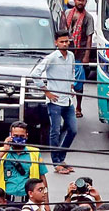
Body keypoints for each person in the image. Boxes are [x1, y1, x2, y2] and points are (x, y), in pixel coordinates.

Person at [30, 31, 77, 174]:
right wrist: (46, 92)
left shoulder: (71, 56)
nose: (65, 44)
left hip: (68, 100)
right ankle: (56, 162)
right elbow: (35, 74)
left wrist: (71, 86)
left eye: (67, 41)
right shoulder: (51, 58)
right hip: (55, 101)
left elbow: (72, 71)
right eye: (62, 42)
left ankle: (61, 158)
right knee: (55, 131)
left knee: (72, 130)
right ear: (56, 43)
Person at [0, 121, 48, 201]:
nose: (19, 138)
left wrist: (46, 203)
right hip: (6, 200)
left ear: (26, 136)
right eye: (15, 136)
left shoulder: (35, 153)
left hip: (28, 201)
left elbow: (42, 178)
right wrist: (5, 150)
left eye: (22, 136)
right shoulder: (1, 151)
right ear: (10, 135)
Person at [63, 0, 93, 118]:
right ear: (74, 1)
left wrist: (87, 55)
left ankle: (78, 106)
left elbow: (89, 37)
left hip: (79, 54)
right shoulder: (67, 14)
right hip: (65, 51)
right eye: (79, 0)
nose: (81, 2)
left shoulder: (88, 17)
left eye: (83, 0)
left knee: (79, 82)